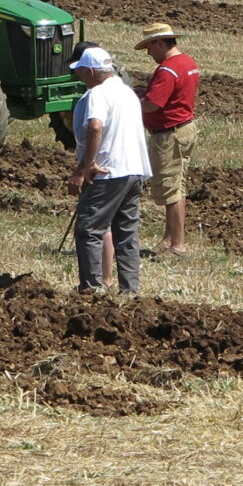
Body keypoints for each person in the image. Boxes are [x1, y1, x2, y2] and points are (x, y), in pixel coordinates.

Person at [66, 45, 150, 294]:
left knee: (88, 229)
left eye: (81, 71)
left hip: (108, 172)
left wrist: (85, 166)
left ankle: (90, 288)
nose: (80, 76)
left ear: (91, 71)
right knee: (126, 232)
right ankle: (129, 289)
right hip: (134, 169)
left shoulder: (98, 93)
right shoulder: (127, 93)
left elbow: (95, 126)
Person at [133, 22, 200, 256]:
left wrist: (132, 102)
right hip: (184, 130)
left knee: (171, 191)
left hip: (169, 135)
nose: (149, 53)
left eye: (150, 47)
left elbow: (153, 105)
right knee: (177, 184)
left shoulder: (167, 70)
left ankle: (177, 245)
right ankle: (169, 238)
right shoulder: (187, 63)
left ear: (160, 43)